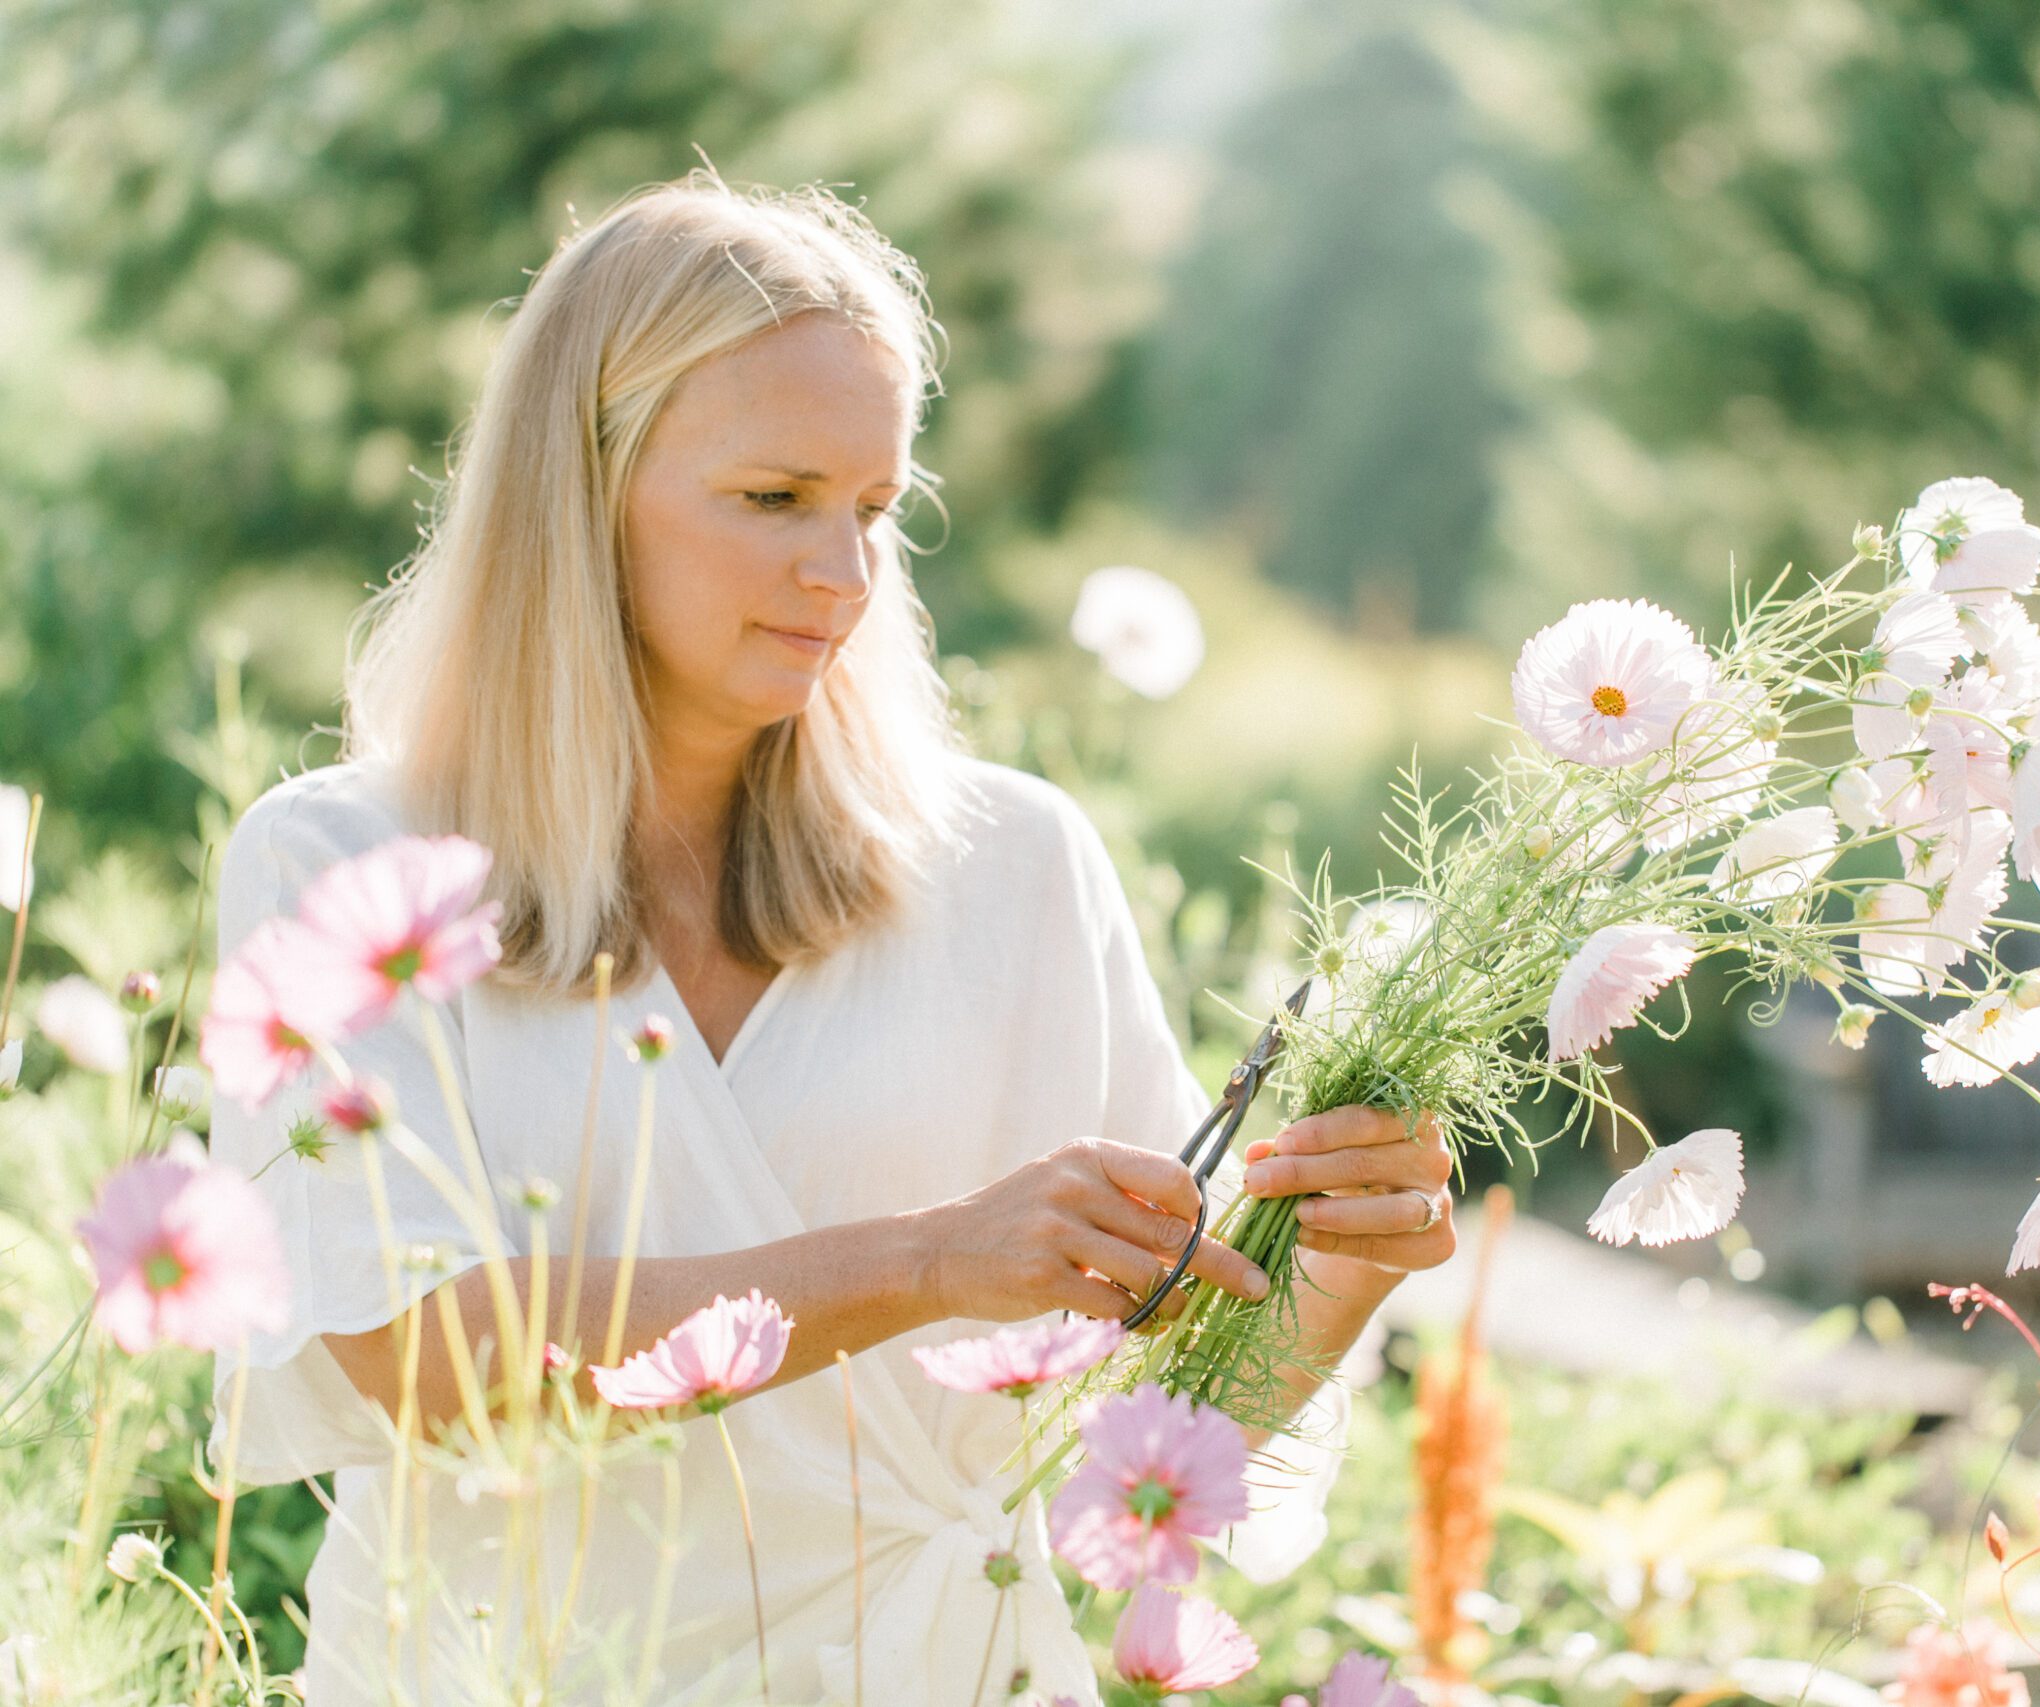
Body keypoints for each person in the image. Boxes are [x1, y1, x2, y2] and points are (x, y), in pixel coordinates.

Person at [206, 168, 1458, 1705]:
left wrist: (1336, 1265)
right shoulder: (345, 865)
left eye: (875, 509)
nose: (846, 575)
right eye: (776, 499)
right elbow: (420, 1359)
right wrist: (929, 1260)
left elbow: (1158, 1429)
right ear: (578, 488)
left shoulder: (1011, 865)